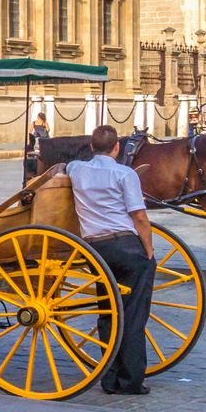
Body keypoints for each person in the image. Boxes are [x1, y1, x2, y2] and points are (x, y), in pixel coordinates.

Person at [62, 124, 155, 395]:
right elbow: (138, 216)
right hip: (125, 246)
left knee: (108, 311)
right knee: (134, 313)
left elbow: (61, 168)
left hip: (95, 250)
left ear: (91, 147)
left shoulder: (77, 169)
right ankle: (131, 380)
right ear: (116, 148)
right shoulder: (124, 173)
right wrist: (148, 250)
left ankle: (109, 376)